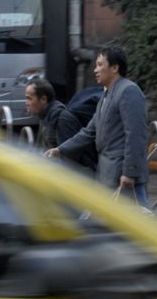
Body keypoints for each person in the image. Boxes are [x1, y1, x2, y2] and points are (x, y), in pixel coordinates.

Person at [48, 46, 149, 207]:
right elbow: (88, 132)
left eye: (100, 65)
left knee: (139, 226)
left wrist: (130, 171)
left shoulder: (129, 91)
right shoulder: (105, 95)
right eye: (95, 65)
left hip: (124, 175)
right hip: (108, 174)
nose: (95, 70)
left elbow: (136, 134)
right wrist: (60, 149)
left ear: (115, 68)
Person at [25, 78, 96, 172]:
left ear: (43, 99)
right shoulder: (45, 116)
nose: (26, 103)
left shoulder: (62, 118)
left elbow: (70, 158)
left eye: (29, 98)